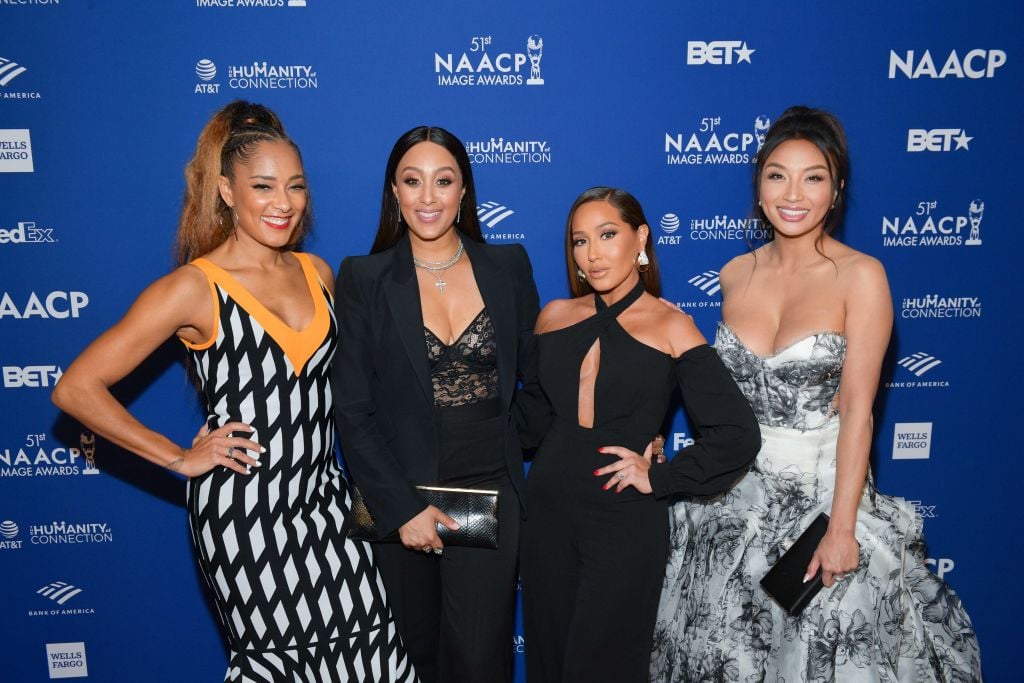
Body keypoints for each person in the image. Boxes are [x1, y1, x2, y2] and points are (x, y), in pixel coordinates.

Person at [51, 101, 415, 682]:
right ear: (226, 191)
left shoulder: (317, 273)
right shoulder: (194, 288)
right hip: (247, 517)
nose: (283, 202)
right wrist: (178, 456)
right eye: (263, 186)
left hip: (328, 505)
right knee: (283, 666)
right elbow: (75, 388)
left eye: (295, 186)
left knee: (374, 658)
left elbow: (361, 389)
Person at [651, 106, 983, 681]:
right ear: (757, 187)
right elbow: (716, 398)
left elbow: (858, 410)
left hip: (822, 500)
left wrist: (842, 528)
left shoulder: (862, 276)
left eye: (814, 176)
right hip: (730, 503)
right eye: (777, 174)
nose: (793, 193)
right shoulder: (734, 274)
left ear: (837, 190)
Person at [517, 187, 761, 683]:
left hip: (622, 520)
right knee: (550, 662)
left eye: (608, 235)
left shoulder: (672, 325)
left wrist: (661, 476)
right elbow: (529, 423)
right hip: (546, 513)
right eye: (580, 241)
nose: (594, 253)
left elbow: (737, 433)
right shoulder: (552, 317)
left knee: (602, 667)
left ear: (641, 238)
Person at [332, 126, 540, 683]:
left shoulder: (509, 267)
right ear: (393, 194)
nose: (428, 197)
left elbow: (541, 385)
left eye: (443, 181)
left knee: (478, 660)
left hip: (486, 491)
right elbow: (352, 409)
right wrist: (403, 508)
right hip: (399, 495)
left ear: (464, 191)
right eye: (412, 181)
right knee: (413, 661)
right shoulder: (364, 278)